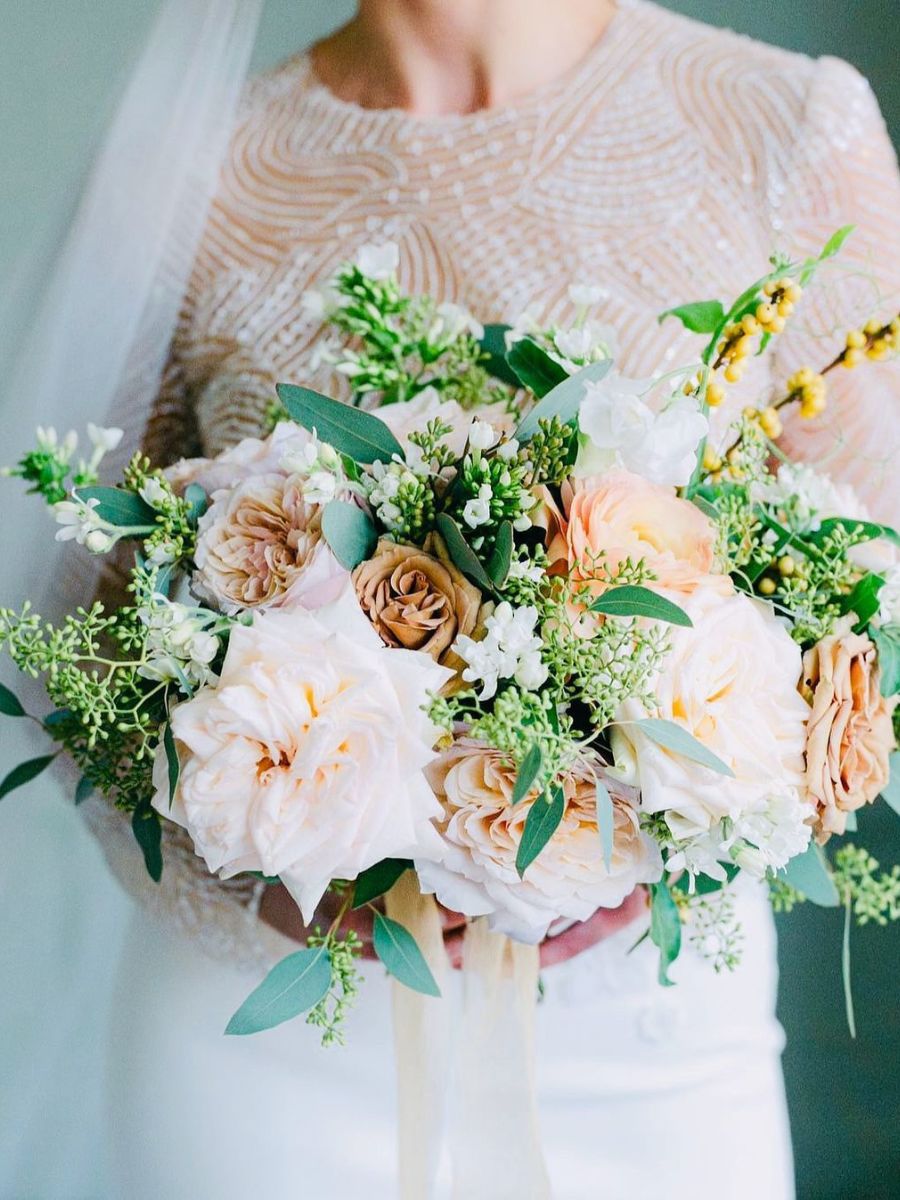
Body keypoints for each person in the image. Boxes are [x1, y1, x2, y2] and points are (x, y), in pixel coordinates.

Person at [8, 0, 900, 1197]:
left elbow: (871, 615)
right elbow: (69, 655)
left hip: (647, 1047)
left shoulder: (785, 123)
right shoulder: (190, 175)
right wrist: (291, 877)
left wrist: (644, 852)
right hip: (269, 1046)